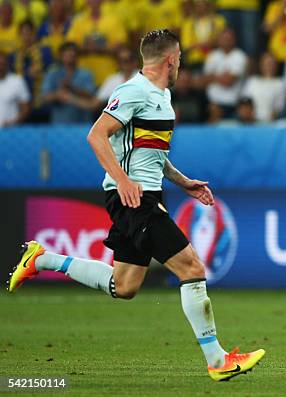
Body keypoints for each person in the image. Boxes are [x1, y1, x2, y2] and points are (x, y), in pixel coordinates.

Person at [8, 29, 265, 382]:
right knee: (191, 267)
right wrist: (123, 179)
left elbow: (152, 154)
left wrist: (183, 181)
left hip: (145, 194)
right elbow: (96, 135)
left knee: (124, 286)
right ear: (171, 59)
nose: (181, 66)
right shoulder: (132, 91)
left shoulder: (162, 96)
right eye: (180, 59)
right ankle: (217, 360)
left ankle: (41, 258)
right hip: (133, 198)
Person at [39, 42, 96, 124]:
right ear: (60, 56)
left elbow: (92, 97)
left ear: (77, 56)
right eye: (67, 52)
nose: (71, 54)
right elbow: (43, 98)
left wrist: (72, 88)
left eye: (73, 52)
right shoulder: (52, 74)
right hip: (59, 123)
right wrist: (57, 95)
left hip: (83, 123)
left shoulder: (86, 74)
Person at [202, 28, 248, 120]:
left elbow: (229, 81)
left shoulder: (240, 56)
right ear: (219, 40)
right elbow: (203, 80)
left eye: (229, 39)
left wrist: (213, 76)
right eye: (224, 38)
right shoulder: (212, 55)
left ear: (234, 40)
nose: (226, 41)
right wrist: (222, 76)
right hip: (213, 103)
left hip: (233, 104)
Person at [242, 52, 285, 122]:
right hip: (250, 122)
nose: (268, 65)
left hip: (268, 122)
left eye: (271, 63)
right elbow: (245, 103)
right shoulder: (252, 81)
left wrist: (268, 122)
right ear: (261, 64)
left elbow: (278, 107)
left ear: (276, 65)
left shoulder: (280, 83)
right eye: (266, 63)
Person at [0, 51, 30, 127]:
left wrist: (14, 123)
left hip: (10, 130)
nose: (0, 67)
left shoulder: (17, 81)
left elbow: (25, 108)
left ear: (8, 64)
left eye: (2, 64)